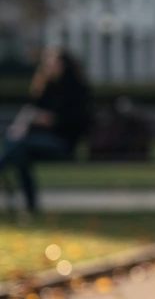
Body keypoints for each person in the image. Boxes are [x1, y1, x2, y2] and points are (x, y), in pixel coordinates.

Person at [0, 47, 92, 212]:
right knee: (17, 150)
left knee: (18, 147)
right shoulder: (45, 88)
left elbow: (78, 121)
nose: (48, 67)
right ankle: (31, 206)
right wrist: (25, 124)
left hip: (62, 142)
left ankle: (30, 203)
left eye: (53, 64)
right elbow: (31, 111)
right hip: (37, 141)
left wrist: (50, 120)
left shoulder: (76, 90)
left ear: (64, 65)